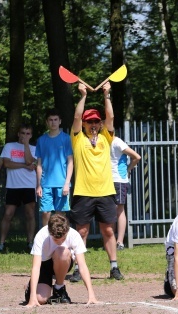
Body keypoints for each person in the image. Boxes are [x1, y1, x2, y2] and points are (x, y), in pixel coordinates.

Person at [68, 81, 124, 281]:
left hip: (105, 191)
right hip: (83, 192)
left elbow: (111, 116)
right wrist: (83, 95)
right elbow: (76, 116)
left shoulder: (105, 137)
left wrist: (106, 95)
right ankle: (76, 269)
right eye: (89, 121)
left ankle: (114, 267)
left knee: (108, 229)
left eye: (95, 122)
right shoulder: (77, 138)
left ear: (100, 124)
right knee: (81, 231)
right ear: (83, 124)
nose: (93, 124)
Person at [24, 213, 98, 307]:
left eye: (63, 239)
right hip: (44, 265)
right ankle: (30, 289)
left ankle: (59, 288)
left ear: (67, 231)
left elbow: (82, 265)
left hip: (62, 261)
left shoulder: (74, 235)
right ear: (50, 232)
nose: (59, 242)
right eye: (56, 240)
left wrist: (91, 295)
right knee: (40, 299)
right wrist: (32, 297)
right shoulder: (41, 235)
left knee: (61, 251)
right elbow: (36, 267)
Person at [0, 124, 37, 252]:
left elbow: (30, 161)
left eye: (27, 133)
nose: (25, 136)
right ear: (18, 134)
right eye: (22, 133)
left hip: (29, 185)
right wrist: (24, 166)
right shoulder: (9, 146)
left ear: (31, 135)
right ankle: (2, 243)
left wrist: (26, 145)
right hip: (13, 185)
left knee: (30, 214)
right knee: (8, 214)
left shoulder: (34, 148)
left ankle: (30, 243)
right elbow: (7, 163)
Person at [35, 108, 74, 227]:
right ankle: (46, 240)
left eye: (55, 120)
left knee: (60, 214)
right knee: (45, 212)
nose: (53, 122)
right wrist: (38, 185)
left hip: (61, 183)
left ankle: (60, 239)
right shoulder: (41, 140)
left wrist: (67, 183)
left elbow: (70, 162)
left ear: (60, 121)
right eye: (50, 120)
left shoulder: (66, 138)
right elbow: (39, 164)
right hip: (46, 183)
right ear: (47, 122)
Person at [110, 136, 141, 250]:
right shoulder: (100, 140)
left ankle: (120, 242)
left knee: (119, 209)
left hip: (119, 180)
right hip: (106, 180)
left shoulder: (117, 142)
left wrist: (128, 170)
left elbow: (136, 157)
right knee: (110, 210)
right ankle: (111, 240)